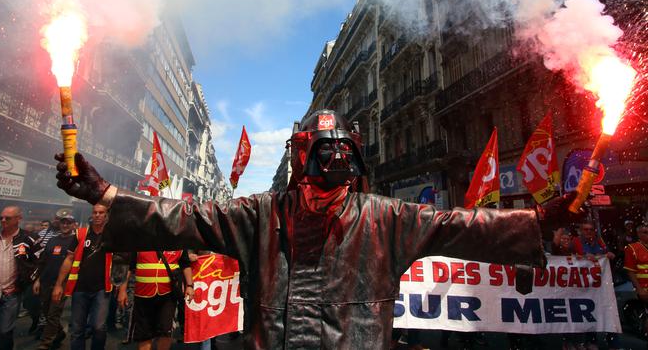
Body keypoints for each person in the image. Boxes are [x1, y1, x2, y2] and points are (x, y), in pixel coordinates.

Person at [55, 109, 575, 350]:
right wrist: (106, 196)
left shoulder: (385, 217)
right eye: (326, 155)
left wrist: (536, 219)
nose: (334, 170)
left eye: (343, 155)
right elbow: (184, 218)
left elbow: (459, 225)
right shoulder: (260, 213)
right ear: (304, 162)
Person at [52, 204, 112, 350]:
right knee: (77, 329)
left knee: (98, 327)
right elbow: (69, 259)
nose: (97, 215)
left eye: (101, 213)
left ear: (106, 215)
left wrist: (121, 286)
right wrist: (59, 284)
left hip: (102, 288)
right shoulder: (81, 234)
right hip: (80, 287)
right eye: (95, 212)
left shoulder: (112, 235)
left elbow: (122, 261)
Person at [0, 206, 39, 350]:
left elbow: (41, 262)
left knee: (4, 331)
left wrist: (35, 280)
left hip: (11, 293)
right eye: (1, 217)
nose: (3, 220)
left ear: (18, 219)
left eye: (7, 218)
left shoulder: (29, 239)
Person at [118, 250, 194, 350]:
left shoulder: (178, 242)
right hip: (143, 296)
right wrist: (122, 290)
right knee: (144, 334)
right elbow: (129, 266)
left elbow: (185, 265)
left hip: (168, 296)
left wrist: (189, 285)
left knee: (165, 332)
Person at [33, 213, 76, 350]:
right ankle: (59, 333)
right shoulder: (52, 240)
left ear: (73, 225)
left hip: (62, 283)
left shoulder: (75, 241)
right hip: (46, 280)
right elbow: (43, 261)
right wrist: (38, 280)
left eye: (68, 223)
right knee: (45, 312)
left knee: (53, 313)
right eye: (63, 222)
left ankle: (46, 343)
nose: (65, 225)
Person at [623, 223, 648, 337]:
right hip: (644, 288)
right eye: (645, 232)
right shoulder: (632, 248)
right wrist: (640, 290)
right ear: (638, 234)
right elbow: (631, 271)